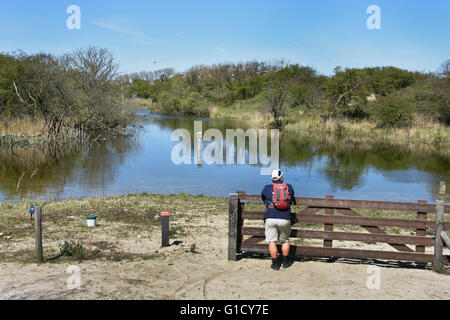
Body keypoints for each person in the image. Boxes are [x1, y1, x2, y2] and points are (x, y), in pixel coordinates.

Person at [261, 169, 296, 270]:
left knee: (272, 241)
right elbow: (291, 197)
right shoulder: (288, 187)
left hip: (270, 217)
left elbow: (263, 198)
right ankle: (285, 262)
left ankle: (275, 264)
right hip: (285, 218)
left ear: (272, 179)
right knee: (285, 241)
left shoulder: (267, 188)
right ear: (281, 178)